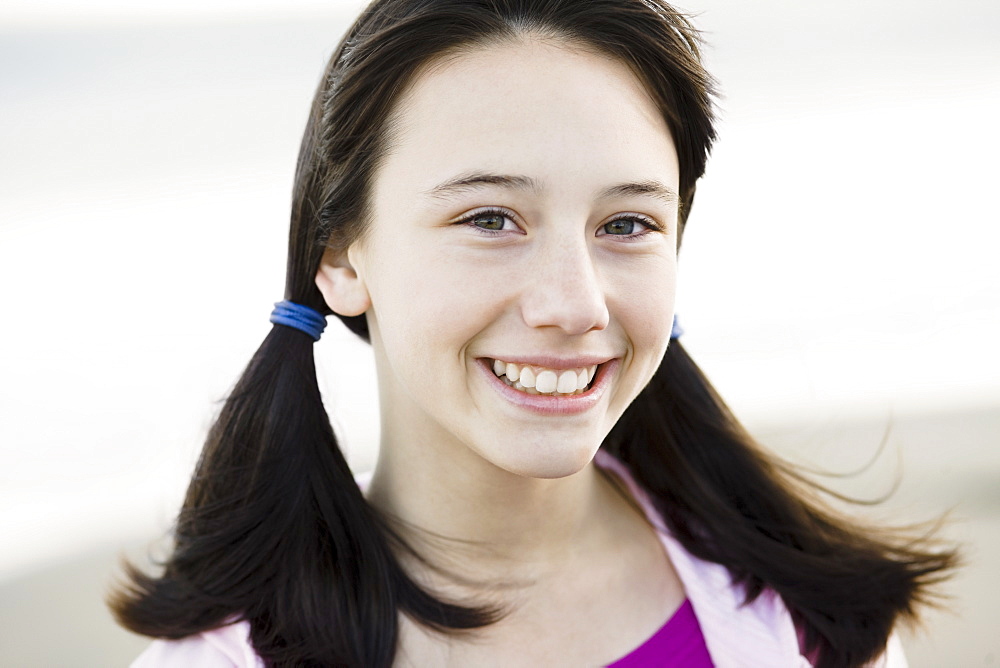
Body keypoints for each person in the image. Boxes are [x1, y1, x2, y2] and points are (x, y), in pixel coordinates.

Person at [109, 1, 956, 666]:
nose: (575, 304)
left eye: (626, 224)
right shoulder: (223, 659)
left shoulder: (810, 616)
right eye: (490, 217)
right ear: (339, 256)